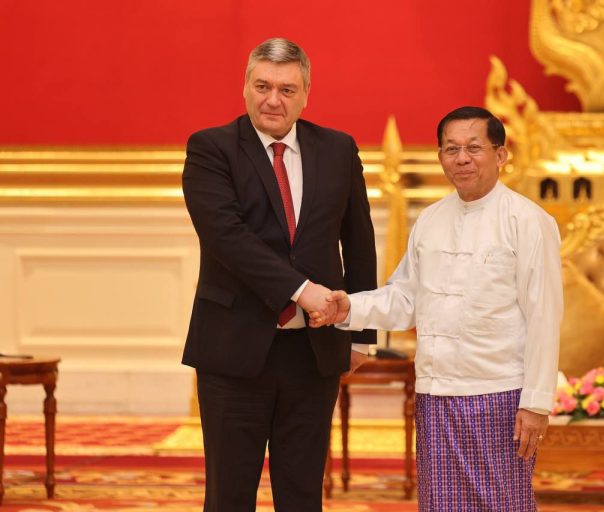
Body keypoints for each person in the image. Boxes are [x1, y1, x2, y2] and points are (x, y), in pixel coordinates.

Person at [312, 106, 563, 511]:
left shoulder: (529, 221)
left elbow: (545, 317)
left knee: (503, 504)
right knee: (439, 504)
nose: (462, 159)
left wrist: (535, 403)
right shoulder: (430, 220)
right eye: (451, 149)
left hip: (499, 394)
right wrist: (348, 309)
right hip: (435, 394)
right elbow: (406, 299)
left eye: (474, 148)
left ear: (501, 155)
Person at [181, 37, 377, 511]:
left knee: (303, 495)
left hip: (313, 354)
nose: (273, 99)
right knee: (228, 497)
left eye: (287, 90)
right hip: (234, 350)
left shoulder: (338, 149)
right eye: (263, 86)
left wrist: (362, 334)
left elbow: (359, 241)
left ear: (306, 94)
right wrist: (301, 291)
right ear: (245, 87)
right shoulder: (211, 148)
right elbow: (226, 237)